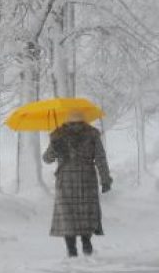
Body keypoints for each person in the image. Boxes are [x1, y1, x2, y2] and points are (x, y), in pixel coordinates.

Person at [42, 110, 113, 257]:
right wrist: (105, 179)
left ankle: (71, 249)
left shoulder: (58, 135)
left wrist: (55, 146)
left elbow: (47, 159)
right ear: (84, 120)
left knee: (68, 213)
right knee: (86, 211)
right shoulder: (92, 134)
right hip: (87, 178)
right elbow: (100, 158)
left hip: (66, 179)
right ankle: (86, 244)